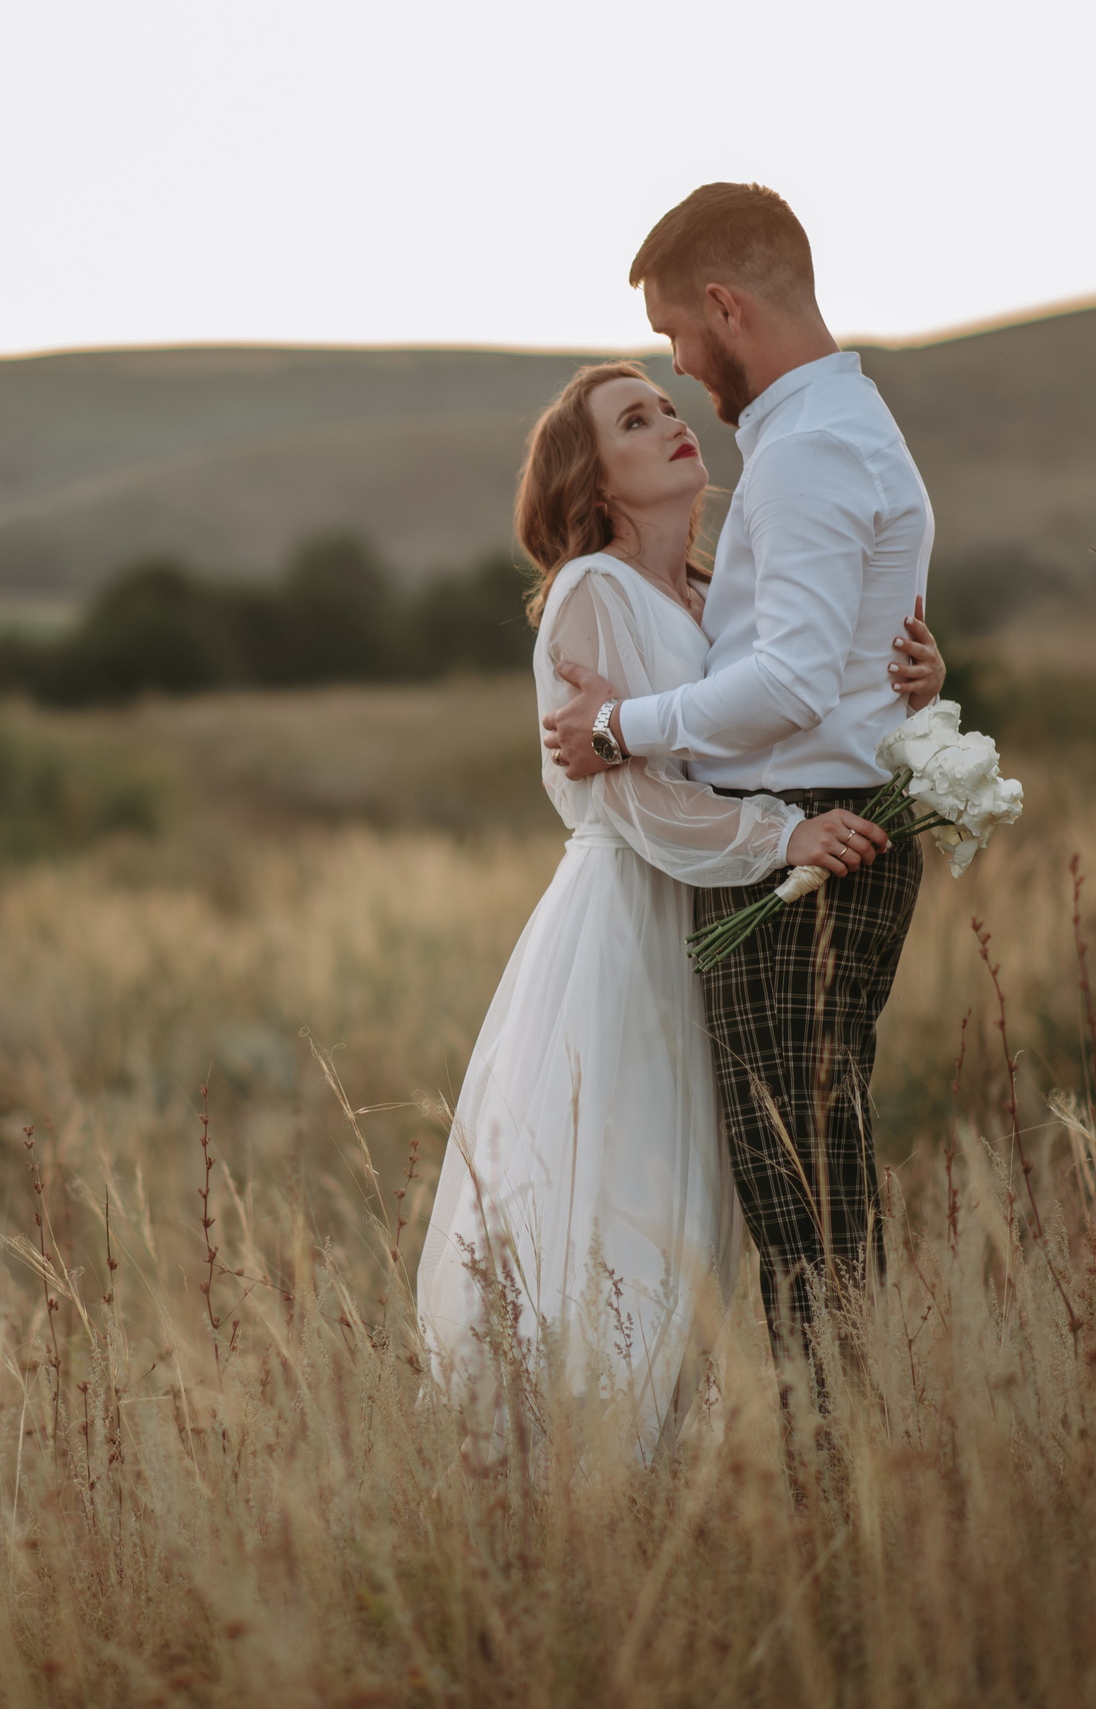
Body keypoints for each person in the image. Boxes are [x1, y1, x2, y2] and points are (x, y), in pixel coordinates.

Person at [412, 351, 943, 1452]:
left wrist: (913, 681)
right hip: (628, 921)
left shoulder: (709, 594)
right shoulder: (589, 592)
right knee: (614, 1180)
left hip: (708, 918)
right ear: (594, 477)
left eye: (665, 406)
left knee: (695, 1197)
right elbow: (624, 797)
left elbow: (776, 706)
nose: (671, 423)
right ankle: (567, 1454)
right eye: (635, 420)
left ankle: (646, 1456)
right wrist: (778, 834)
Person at [541, 183, 940, 1384]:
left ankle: (841, 1483)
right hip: (792, 836)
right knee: (806, 1180)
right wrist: (906, 685)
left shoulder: (806, 447)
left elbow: (792, 679)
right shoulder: (845, 427)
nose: (679, 375)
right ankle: (842, 1463)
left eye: (675, 340)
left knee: (798, 1193)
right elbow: (841, 645)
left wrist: (619, 725)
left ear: (722, 306)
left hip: (808, 849)